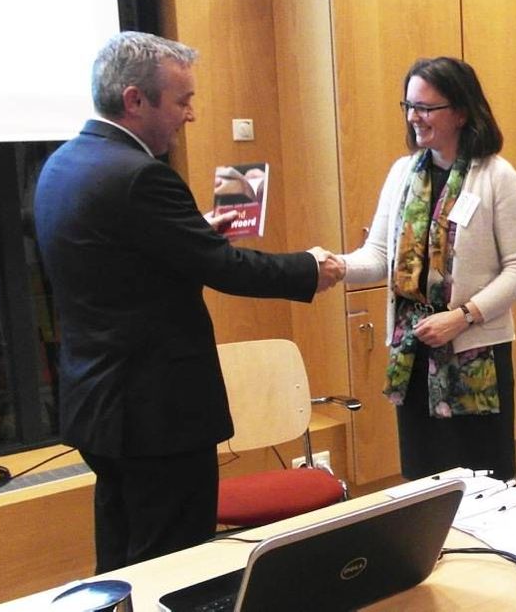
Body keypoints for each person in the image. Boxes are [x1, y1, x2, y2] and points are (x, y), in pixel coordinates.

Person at [33, 31, 342, 572]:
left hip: (99, 408)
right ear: (134, 100)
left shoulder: (64, 164)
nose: (191, 114)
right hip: (156, 415)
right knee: (172, 566)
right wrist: (309, 268)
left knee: (123, 556)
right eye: (182, 100)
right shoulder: (141, 177)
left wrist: (192, 230)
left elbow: (117, 261)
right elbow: (226, 268)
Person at [330, 57, 516, 481]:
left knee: (486, 485)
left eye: (425, 107)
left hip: (474, 353)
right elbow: (379, 258)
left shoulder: (498, 177)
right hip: (413, 352)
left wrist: (461, 318)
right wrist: (335, 266)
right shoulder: (402, 174)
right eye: (408, 106)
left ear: (461, 112)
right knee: (427, 481)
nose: (413, 117)